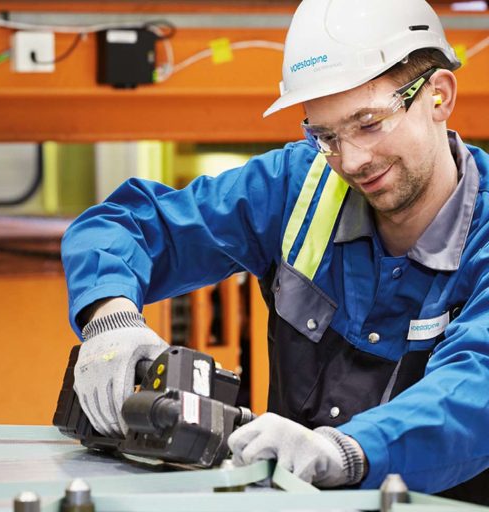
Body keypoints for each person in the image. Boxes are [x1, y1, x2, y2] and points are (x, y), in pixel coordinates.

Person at [61, 0, 489, 504]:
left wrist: (345, 451)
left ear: (439, 96)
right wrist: (110, 320)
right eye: (325, 134)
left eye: (369, 123)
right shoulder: (296, 186)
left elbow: (474, 389)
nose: (350, 160)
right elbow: (129, 224)